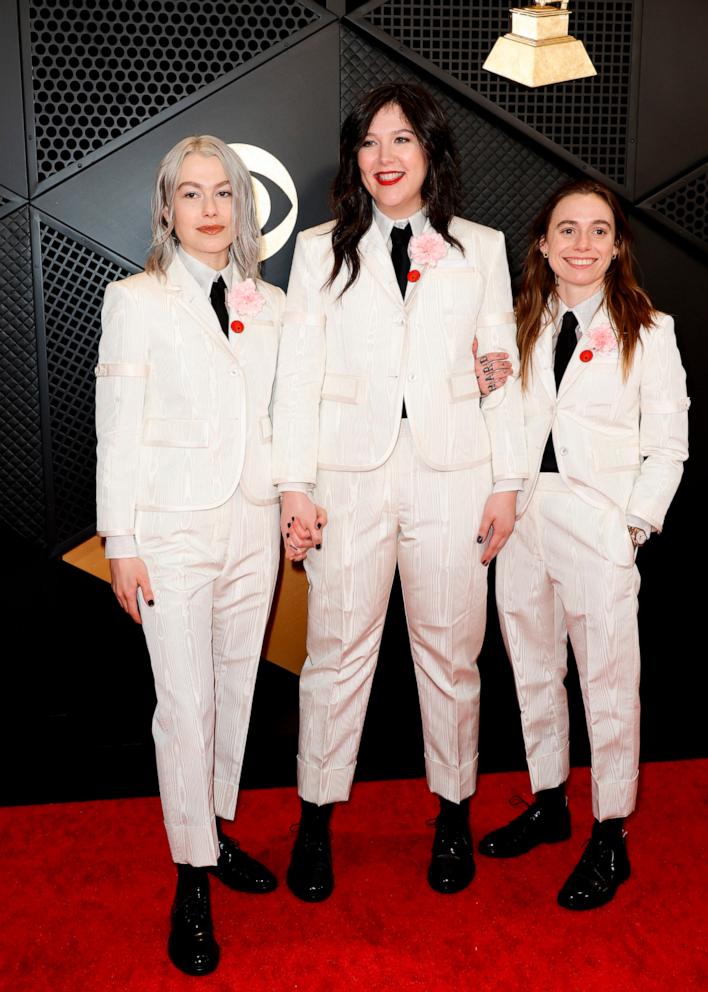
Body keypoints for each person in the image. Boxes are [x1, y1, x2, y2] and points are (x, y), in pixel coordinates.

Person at [272, 82, 527, 902]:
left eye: (403, 141)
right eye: (371, 143)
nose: (385, 158)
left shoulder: (481, 248)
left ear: (431, 154)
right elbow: (298, 373)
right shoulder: (318, 250)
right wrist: (294, 484)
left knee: (452, 656)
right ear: (356, 157)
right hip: (347, 475)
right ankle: (317, 815)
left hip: (455, 474)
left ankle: (452, 811)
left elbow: (498, 368)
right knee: (335, 654)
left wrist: (509, 479)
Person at [95, 136, 284, 974]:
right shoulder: (134, 299)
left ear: (243, 207)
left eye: (224, 194)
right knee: (184, 703)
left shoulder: (268, 304)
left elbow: (279, 418)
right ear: (167, 209)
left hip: (253, 524)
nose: (210, 209)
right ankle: (191, 880)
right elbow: (117, 427)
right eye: (192, 194)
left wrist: (292, 499)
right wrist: (122, 541)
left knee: (234, 691)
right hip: (169, 530)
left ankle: (210, 834)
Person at [475, 179, 689, 909]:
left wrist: (629, 529)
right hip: (521, 519)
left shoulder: (649, 331)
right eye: (567, 229)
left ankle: (611, 833)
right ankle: (549, 801)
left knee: (608, 685)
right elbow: (495, 418)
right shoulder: (515, 326)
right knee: (532, 670)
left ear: (619, 245)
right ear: (542, 242)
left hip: (597, 525)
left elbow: (670, 449)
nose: (583, 244)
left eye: (599, 231)